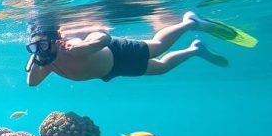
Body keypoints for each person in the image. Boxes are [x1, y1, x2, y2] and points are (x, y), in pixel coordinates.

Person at [26, 12, 230, 86]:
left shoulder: (72, 45)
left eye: (43, 44)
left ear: (55, 39)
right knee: (161, 68)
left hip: (117, 52)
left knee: (158, 48)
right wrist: (36, 60)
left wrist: (87, 47)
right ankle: (195, 50)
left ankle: (189, 23)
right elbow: (32, 83)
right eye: (35, 47)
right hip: (111, 70)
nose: (40, 50)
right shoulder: (46, 64)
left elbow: (103, 37)